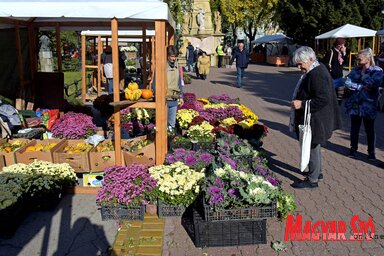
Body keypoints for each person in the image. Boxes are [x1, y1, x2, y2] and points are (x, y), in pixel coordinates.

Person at [289, 46, 341, 189]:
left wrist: (302, 104)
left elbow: (323, 99)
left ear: (311, 59)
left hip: (316, 118)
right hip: (316, 117)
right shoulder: (317, 69)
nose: (299, 67)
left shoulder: (317, 74)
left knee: (311, 146)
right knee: (314, 146)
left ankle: (312, 180)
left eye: (301, 63)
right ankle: (317, 172)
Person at [344, 48, 383, 161]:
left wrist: (357, 83)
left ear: (368, 58)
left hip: (369, 105)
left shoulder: (377, 70)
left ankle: (371, 152)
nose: (357, 60)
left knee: (369, 129)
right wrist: (360, 86)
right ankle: (353, 148)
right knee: (354, 128)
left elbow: (374, 82)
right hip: (355, 104)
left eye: (359, 58)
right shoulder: (356, 70)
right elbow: (347, 82)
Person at [323, 38, 348, 104]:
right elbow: (325, 63)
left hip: (340, 76)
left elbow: (345, 62)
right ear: (339, 45)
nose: (343, 47)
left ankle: (337, 108)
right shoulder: (331, 52)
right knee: (332, 96)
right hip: (332, 77)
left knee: (339, 98)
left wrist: (344, 53)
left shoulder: (341, 53)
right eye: (342, 45)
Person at [165, 45, 184, 129]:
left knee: (171, 124)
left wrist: (181, 96)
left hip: (174, 98)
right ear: (167, 56)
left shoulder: (176, 65)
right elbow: (155, 82)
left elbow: (179, 82)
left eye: (175, 56)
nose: (174, 59)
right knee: (163, 124)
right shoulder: (162, 66)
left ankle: (170, 140)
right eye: (172, 56)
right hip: (164, 99)